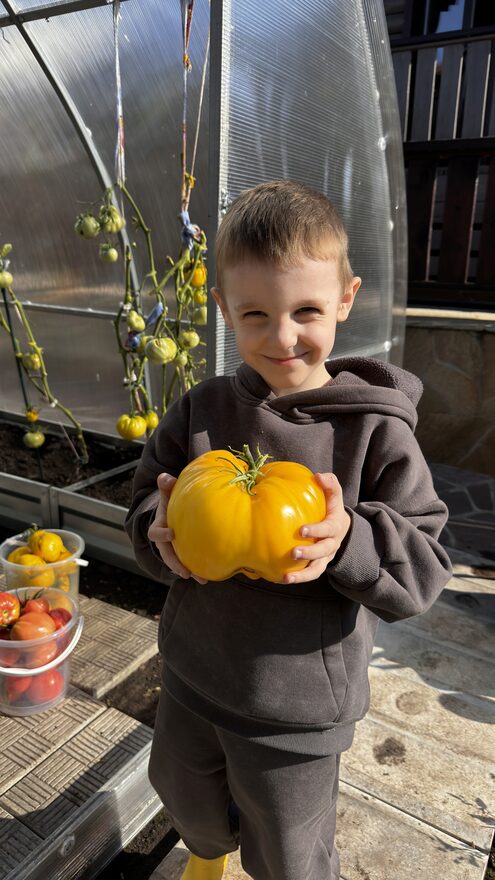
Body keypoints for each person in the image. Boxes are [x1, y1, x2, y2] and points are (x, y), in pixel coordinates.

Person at [125, 180, 452, 880]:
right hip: (192, 673)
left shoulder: (373, 431)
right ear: (223, 310)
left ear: (344, 298)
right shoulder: (204, 409)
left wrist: (348, 542)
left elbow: (422, 565)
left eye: (305, 310)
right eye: (254, 315)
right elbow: (142, 498)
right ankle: (206, 858)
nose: (281, 337)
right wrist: (158, 526)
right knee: (186, 797)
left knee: (288, 852)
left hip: (296, 710)